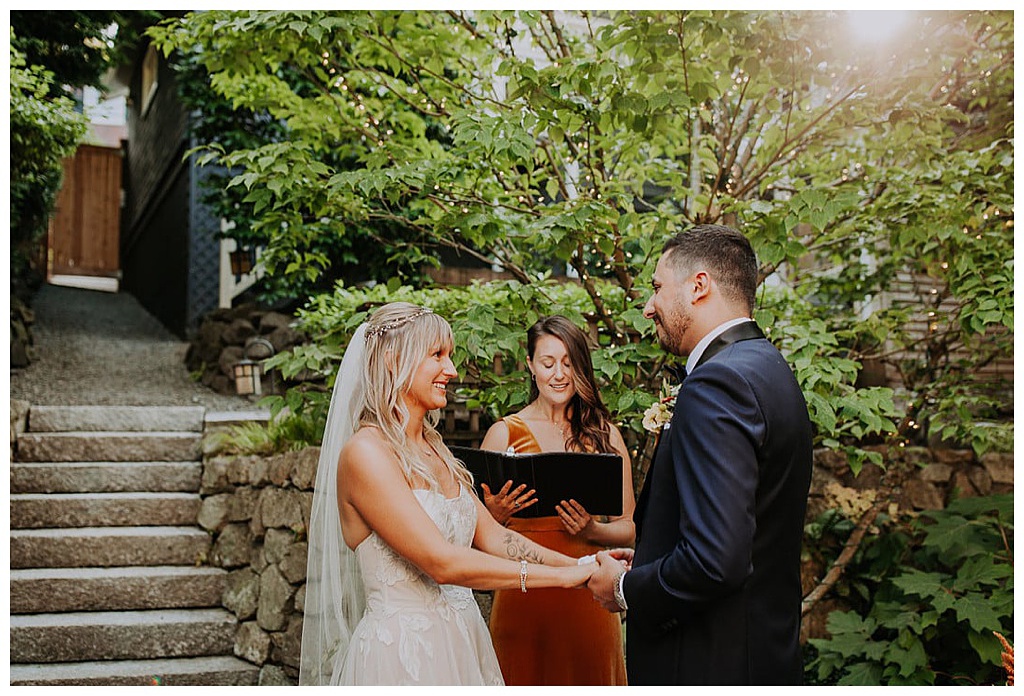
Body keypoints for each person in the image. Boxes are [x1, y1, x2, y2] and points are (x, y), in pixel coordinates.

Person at [298, 302, 596, 686]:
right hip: (403, 655)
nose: (451, 370)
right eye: (437, 355)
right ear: (393, 360)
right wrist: (559, 580)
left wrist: (581, 566)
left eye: (449, 356)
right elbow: (442, 563)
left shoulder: (436, 448)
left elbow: (494, 536)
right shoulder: (366, 453)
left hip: (463, 641)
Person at [588, 224, 814, 685]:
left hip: (708, 663)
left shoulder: (716, 384)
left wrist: (624, 588)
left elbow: (716, 561)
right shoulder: (769, 367)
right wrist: (655, 554)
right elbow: (743, 527)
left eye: (656, 288)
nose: (648, 306)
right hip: (761, 654)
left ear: (698, 286)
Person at [479, 315, 634, 686]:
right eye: (548, 363)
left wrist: (592, 528)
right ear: (530, 365)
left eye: (569, 363)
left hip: (588, 599)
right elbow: (471, 536)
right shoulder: (504, 434)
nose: (559, 374)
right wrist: (494, 514)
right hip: (522, 596)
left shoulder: (603, 435)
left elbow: (628, 528)